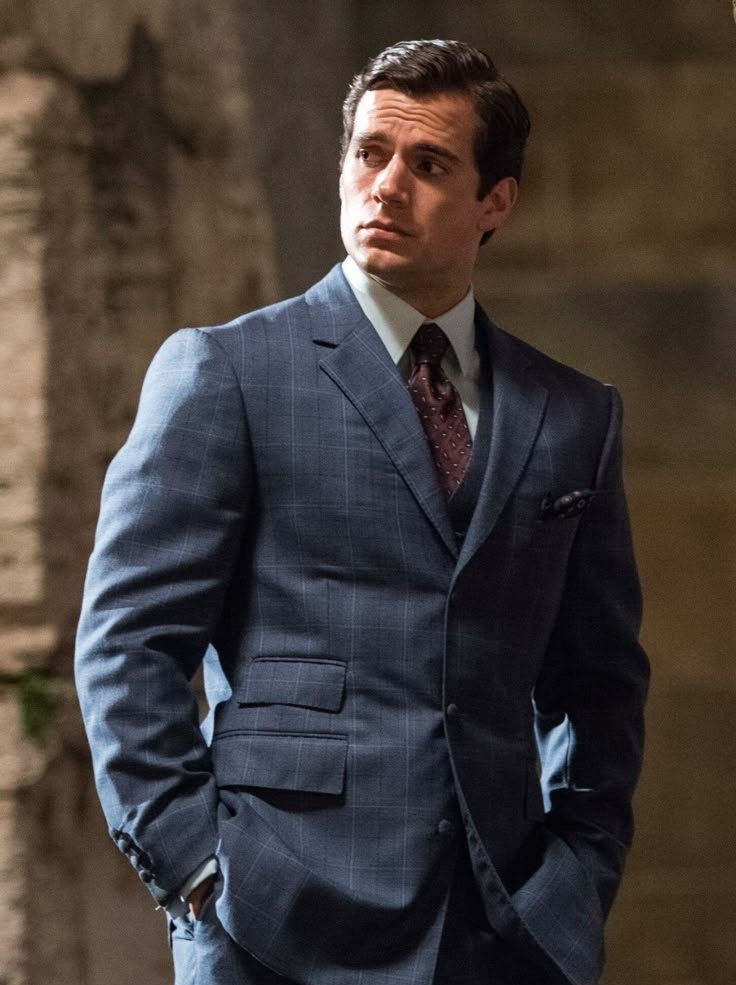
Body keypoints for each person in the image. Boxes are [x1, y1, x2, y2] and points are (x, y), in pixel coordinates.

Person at [75, 39, 649, 985]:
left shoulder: (575, 415)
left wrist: (578, 880)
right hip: (270, 922)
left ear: (495, 201)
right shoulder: (226, 371)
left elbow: (600, 685)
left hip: (500, 932)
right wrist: (196, 872)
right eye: (369, 153)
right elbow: (126, 645)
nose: (386, 185)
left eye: (429, 164)